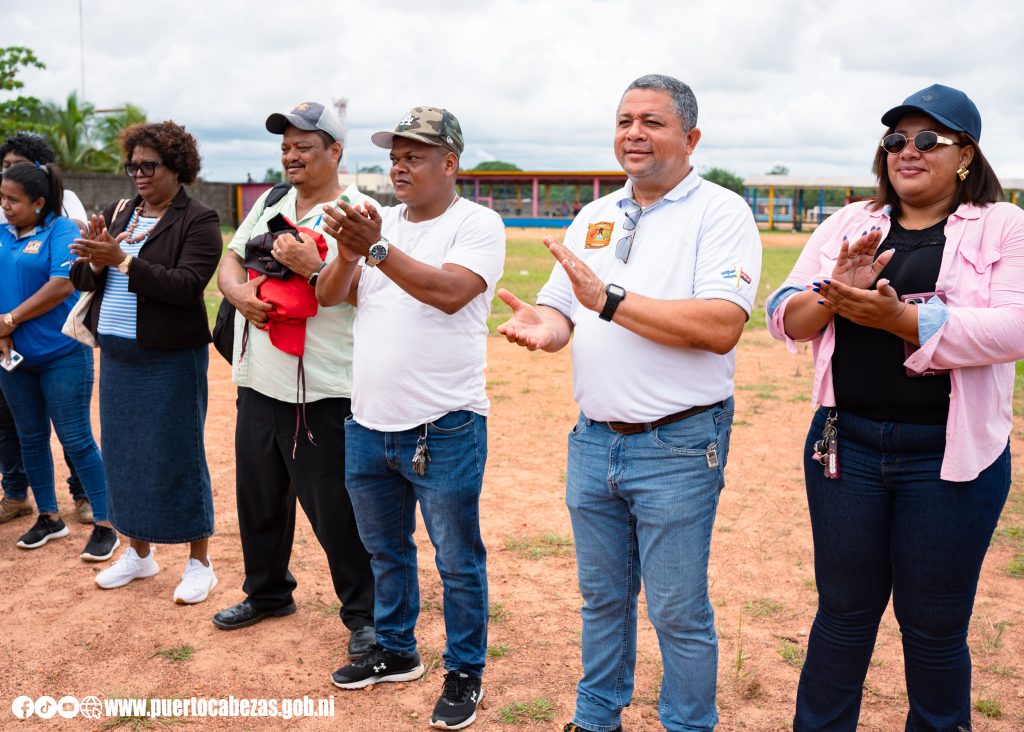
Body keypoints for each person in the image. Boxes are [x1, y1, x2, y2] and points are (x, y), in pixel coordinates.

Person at [498, 75, 761, 732]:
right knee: (602, 599)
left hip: (676, 442)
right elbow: (564, 313)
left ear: (691, 137)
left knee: (676, 609)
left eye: (652, 121)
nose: (633, 133)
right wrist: (546, 329)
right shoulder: (596, 214)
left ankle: (688, 724)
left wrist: (608, 301)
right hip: (594, 440)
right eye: (623, 120)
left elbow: (720, 324)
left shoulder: (720, 212)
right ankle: (596, 719)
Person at [766, 84, 1024, 731]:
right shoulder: (850, 223)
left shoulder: (1004, 225)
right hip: (844, 450)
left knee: (935, 628)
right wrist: (834, 294)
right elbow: (785, 315)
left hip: (949, 459)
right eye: (895, 140)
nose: (907, 151)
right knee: (843, 615)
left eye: (927, 139)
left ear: (965, 153)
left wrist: (905, 320)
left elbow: (1015, 328)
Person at [318, 106, 505, 730]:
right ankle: (396, 651)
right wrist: (350, 251)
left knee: (456, 558)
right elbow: (329, 294)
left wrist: (372, 246)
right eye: (394, 156)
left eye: (414, 155)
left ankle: (464, 669)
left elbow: (450, 293)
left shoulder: (477, 224)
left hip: (443, 425)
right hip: (369, 422)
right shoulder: (383, 222)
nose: (399, 166)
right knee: (385, 552)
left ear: (449, 163)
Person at [212, 102, 376, 659]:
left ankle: (364, 616)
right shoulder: (272, 201)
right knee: (259, 497)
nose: (292, 155)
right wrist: (241, 297)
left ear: (336, 152)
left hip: (322, 388)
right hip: (258, 376)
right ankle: (267, 593)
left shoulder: (356, 211)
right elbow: (229, 263)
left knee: (334, 509)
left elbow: (361, 293)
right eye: (286, 146)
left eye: (305, 146)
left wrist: (310, 263)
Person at [69, 121, 222, 604]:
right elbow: (81, 278)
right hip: (117, 355)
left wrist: (123, 260)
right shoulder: (120, 213)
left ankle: (200, 562)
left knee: (179, 455)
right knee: (123, 456)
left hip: (170, 359)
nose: (138, 173)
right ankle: (139, 553)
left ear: (177, 168)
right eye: (132, 165)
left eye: (148, 165)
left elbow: (185, 285)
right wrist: (95, 259)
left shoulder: (198, 219)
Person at [0, 161, 115, 560]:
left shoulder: (63, 230)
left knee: (76, 438)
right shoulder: (1, 232)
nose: (5, 206)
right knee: (30, 438)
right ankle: (49, 517)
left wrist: (10, 319)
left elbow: (61, 284)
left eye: (13, 200)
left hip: (62, 354)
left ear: (39, 202)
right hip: (12, 358)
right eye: (2, 199)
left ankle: (106, 522)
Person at [0, 133, 91, 526]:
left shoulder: (64, 207)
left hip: (53, 340)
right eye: (3, 167)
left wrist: (9, 320)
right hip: (9, 343)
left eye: (15, 166)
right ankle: (17, 494)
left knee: (70, 427)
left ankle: (85, 496)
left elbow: (67, 273)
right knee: (11, 423)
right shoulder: (4, 206)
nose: (7, 174)